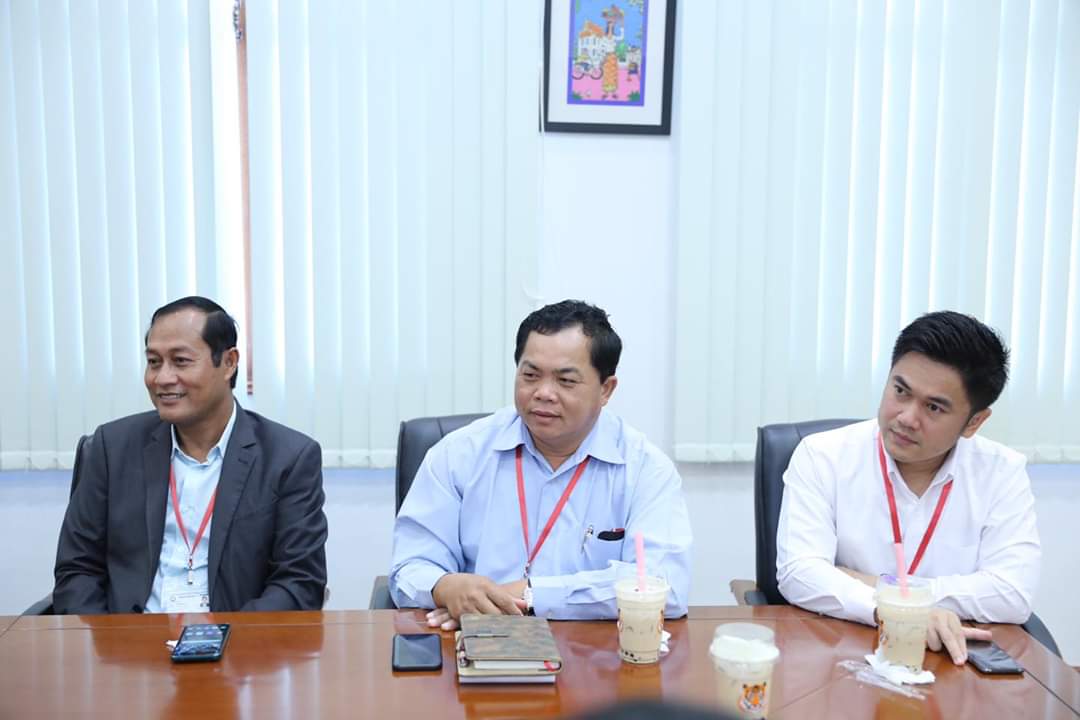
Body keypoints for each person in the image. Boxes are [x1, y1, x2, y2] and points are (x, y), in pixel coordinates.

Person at [389, 300, 691, 629]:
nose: (544, 393)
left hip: (593, 649)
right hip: (474, 637)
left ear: (606, 389)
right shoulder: (458, 454)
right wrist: (444, 587)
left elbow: (665, 586)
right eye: (530, 375)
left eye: (566, 381)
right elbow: (410, 566)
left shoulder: (645, 469)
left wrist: (533, 595)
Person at [776, 311, 1040, 664]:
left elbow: (1011, 593)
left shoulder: (1001, 472)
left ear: (974, 422)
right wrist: (894, 609)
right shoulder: (823, 455)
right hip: (841, 653)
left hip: (951, 658)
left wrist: (878, 587)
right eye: (900, 391)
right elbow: (799, 573)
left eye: (933, 407)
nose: (906, 418)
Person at [52, 296, 328, 613]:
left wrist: (229, 636)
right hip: (129, 636)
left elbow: (299, 582)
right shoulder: (111, 448)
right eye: (154, 362)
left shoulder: (288, 458)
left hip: (236, 636)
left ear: (229, 363)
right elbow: (77, 569)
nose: (162, 378)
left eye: (181, 361)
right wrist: (113, 638)